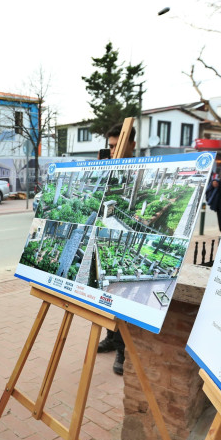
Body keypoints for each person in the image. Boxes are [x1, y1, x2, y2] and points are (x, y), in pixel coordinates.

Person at [95, 123, 137, 376]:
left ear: (131, 144)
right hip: (106, 237)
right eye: (109, 146)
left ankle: (123, 349)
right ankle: (111, 337)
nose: (112, 151)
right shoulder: (108, 166)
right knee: (106, 294)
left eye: (115, 146)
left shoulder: (139, 167)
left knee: (122, 298)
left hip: (126, 241)